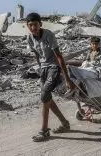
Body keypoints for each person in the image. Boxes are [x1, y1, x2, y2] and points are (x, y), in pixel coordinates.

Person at [26, 12, 76, 142]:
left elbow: (59, 57)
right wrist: (41, 69)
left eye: (35, 24)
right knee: (47, 98)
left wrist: (68, 79)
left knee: (44, 95)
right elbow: (37, 55)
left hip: (54, 67)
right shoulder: (30, 39)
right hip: (44, 68)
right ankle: (65, 123)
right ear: (27, 26)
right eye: (30, 25)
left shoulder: (49, 35)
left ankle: (44, 131)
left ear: (40, 24)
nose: (33, 28)